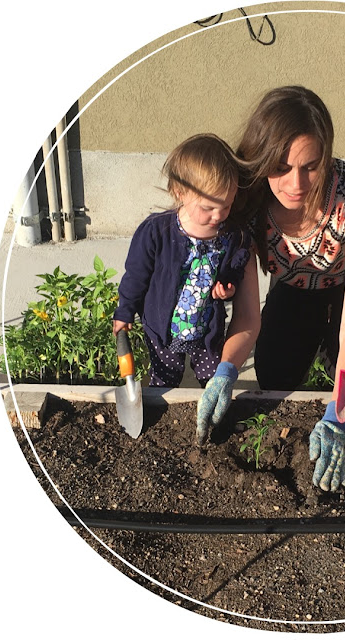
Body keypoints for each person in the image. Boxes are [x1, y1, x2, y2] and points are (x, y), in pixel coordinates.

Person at [236, 85, 345, 492]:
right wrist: (225, 370)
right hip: (295, 283)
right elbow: (247, 310)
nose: (296, 183)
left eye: (310, 167)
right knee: (274, 374)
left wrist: (337, 415)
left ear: (326, 156)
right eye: (281, 167)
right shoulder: (247, 200)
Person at [113, 133, 261, 444]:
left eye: (227, 205)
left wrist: (228, 287)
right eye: (209, 207)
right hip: (163, 331)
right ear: (180, 192)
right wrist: (124, 311)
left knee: (212, 378)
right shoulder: (156, 232)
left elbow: (236, 264)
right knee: (164, 379)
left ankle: (217, 420)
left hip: (206, 330)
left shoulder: (230, 236)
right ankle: (155, 424)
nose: (218, 215)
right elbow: (136, 276)